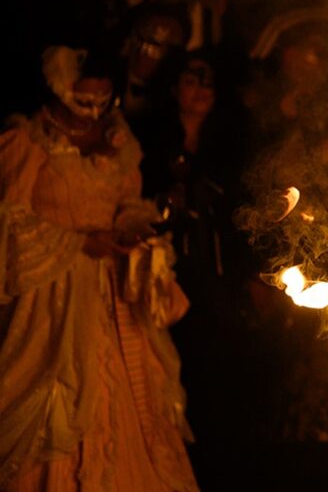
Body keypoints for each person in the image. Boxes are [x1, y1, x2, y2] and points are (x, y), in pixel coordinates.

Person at [0, 46, 197, 491]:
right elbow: (8, 222)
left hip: (115, 288)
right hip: (53, 296)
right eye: (82, 101)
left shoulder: (120, 140)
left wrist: (134, 229)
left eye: (102, 101)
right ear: (58, 89)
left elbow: (127, 201)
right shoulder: (26, 143)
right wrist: (78, 243)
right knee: (61, 397)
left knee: (133, 396)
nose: (93, 112)